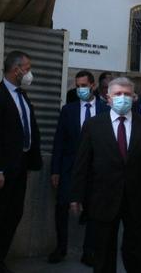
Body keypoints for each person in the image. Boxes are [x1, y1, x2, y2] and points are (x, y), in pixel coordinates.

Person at [71, 77, 141, 273]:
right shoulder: (93, 125)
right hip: (102, 198)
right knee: (103, 250)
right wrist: (76, 196)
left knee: (138, 249)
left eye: (126, 94)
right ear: (108, 98)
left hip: (136, 199)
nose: (122, 98)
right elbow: (82, 164)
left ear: (134, 98)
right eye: (117, 94)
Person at [0, 51, 43, 273]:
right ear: (16, 69)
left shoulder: (22, 95)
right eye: (27, 68)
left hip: (20, 166)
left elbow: (27, 129)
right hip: (2, 170)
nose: (29, 73)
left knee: (14, 213)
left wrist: (28, 164)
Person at [49, 71, 107, 264]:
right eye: (78, 86)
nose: (80, 89)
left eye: (84, 85)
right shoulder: (68, 110)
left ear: (92, 85)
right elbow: (59, 142)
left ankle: (88, 251)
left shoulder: (104, 109)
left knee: (93, 210)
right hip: (69, 168)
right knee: (62, 207)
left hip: (96, 169)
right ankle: (61, 247)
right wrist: (55, 170)